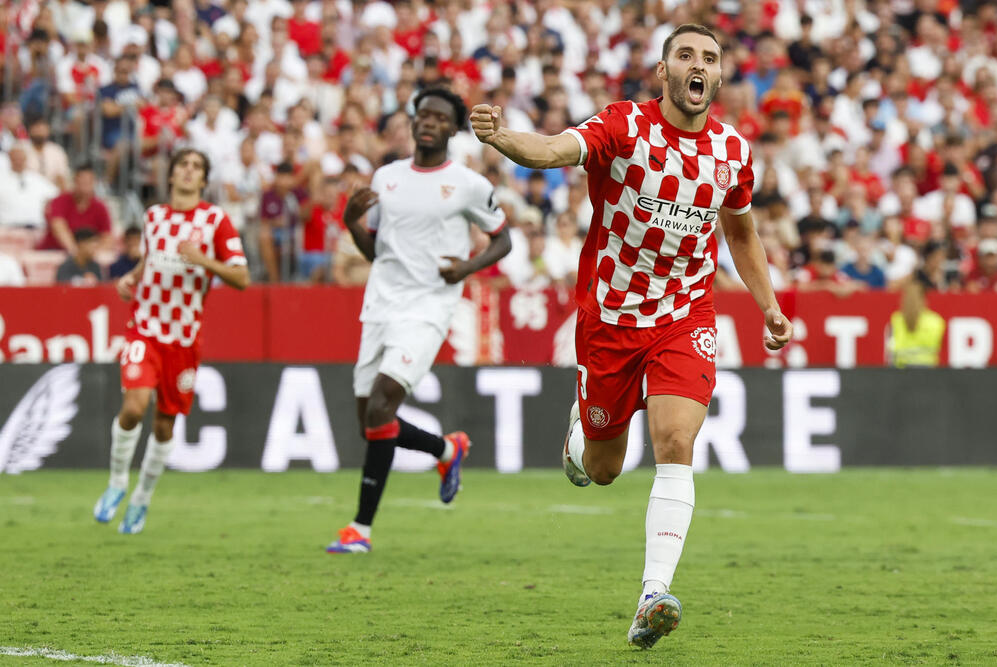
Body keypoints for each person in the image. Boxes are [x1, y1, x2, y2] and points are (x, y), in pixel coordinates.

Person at [470, 24, 793, 649]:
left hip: (686, 316)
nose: (698, 66)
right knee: (604, 467)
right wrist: (502, 136)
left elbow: (742, 233)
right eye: (685, 55)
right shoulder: (625, 127)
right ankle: (580, 432)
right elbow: (553, 151)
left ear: (720, 78)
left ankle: (653, 596)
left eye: (709, 58)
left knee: (676, 440)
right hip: (612, 319)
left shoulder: (732, 152)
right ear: (664, 71)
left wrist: (769, 306)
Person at [326, 87, 512, 554]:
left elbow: (502, 240)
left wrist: (465, 269)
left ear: (452, 128)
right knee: (370, 421)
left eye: (438, 117)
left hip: (429, 306)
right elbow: (377, 251)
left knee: (381, 407)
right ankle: (446, 450)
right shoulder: (386, 177)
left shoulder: (468, 184)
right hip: (380, 303)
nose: (428, 121)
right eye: (422, 115)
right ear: (413, 124)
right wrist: (351, 225)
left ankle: (360, 530)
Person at [93, 148, 250, 535]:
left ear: (203, 179)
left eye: (197, 166)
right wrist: (131, 278)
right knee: (134, 406)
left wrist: (203, 260)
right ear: (171, 175)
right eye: (183, 164)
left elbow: (241, 278)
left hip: (183, 339)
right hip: (144, 328)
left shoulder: (215, 220)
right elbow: (150, 259)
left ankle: (142, 497)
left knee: (164, 426)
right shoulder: (154, 216)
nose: (188, 171)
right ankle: (116, 483)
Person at [40, 163, 112, 252]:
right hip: (55, 251)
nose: (85, 186)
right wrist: (76, 252)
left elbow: (107, 237)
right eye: (82, 182)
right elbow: (58, 227)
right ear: (75, 181)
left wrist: (93, 253)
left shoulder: (100, 206)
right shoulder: (60, 200)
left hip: (87, 256)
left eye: (89, 182)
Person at [888, 279, 945, 368]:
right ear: (924, 299)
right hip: (928, 369)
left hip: (901, 370)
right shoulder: (936, 320)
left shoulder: (897, 319)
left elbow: (891, 350)